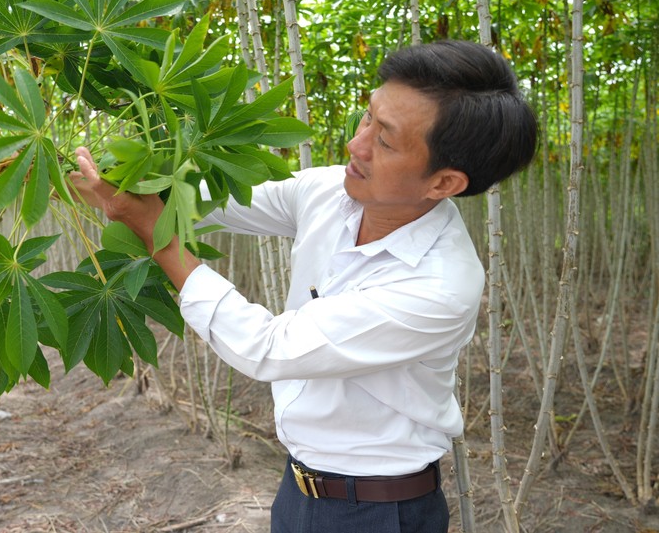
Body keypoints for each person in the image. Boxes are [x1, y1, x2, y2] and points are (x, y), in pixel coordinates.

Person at [70, 40, 539, 533]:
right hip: (299, 490)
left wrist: (156, 237)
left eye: (385, 140)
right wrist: (124, 177)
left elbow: (267, 348)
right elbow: (216, 199)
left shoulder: (438, 286)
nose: (356, 146)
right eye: (367, 119)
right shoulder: (331, 191)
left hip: (377, 512)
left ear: (443, 183)